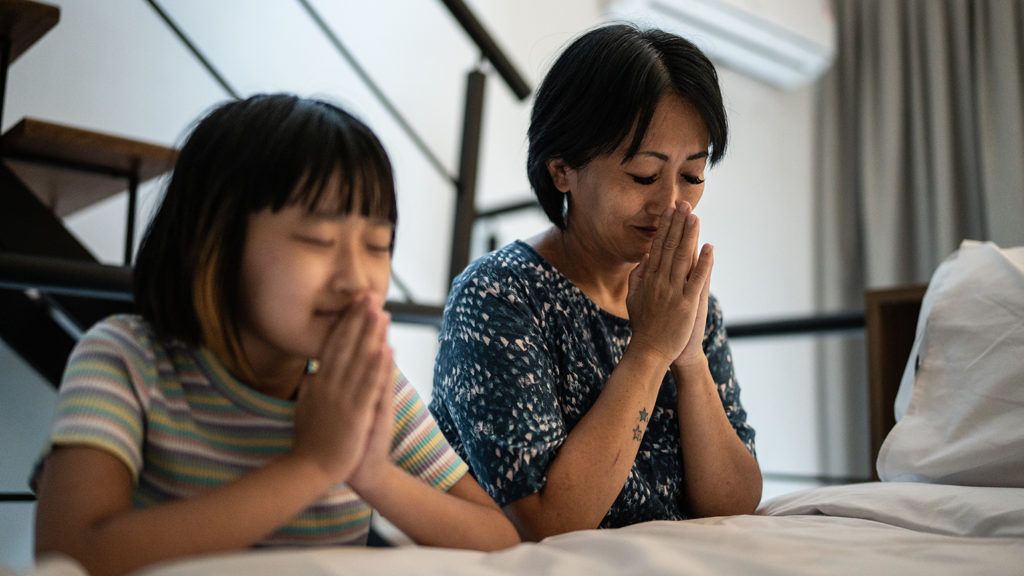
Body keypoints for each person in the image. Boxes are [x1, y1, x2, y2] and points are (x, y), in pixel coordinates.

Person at [32, 94, 519, 576]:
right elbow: (72, 556)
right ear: (216, 241)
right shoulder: (126, 357)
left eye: (378, 245)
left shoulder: (365, 385)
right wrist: (314, 465)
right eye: (317, 241)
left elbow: (498, 540)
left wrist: (371, 474)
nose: (355, 279)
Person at [429, 24, 762, 541]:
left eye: (693, 175)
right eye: (644, 176)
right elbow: (547, 522)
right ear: (562, 170)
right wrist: (651, 350)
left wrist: (690, 359)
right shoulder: (499, 296)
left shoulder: (688, 302)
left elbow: (736, 503)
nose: (672, 203)